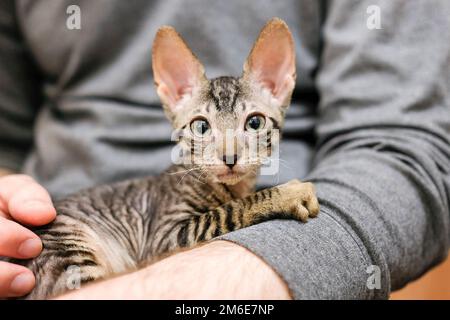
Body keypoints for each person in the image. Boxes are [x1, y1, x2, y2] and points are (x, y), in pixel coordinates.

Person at [0, 0, 449, 299]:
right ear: (173, 95)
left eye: (253, 124)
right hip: (53, 240)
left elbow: (403, 144)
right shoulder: (181, 196)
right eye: (202, 130)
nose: (229, 152)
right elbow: (171, 240)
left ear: (278, 86)